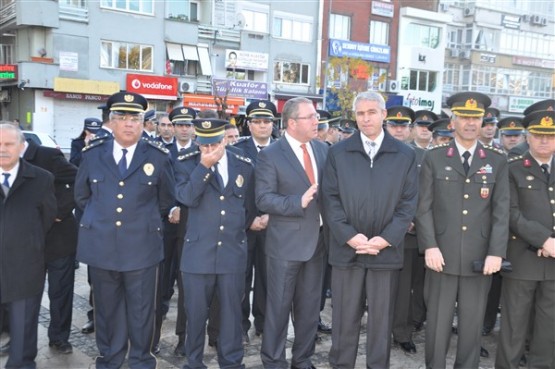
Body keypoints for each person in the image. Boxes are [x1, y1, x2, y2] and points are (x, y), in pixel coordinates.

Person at [74, 91, 175, 369]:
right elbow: (82, 196)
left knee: (142, 309)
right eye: (122, 118)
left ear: (143, 123)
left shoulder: (158, 155)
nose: (129, 123)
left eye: (136, 118)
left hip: (142, 247)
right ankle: (110, 358)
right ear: (111, 121)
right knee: (106, 310)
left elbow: (166, 199)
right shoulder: (93, 154)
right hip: (102, 246)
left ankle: (141, 359)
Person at [322, 92, 418, 368]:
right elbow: (330, 199)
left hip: (385, 253)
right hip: (346, 251)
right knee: (343, 319)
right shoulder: (338, 153)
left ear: (383, 114)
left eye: (372, 112)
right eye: (361, 113)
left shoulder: (404, 155)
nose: (366, 118)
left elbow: (408, 203)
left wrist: (385, 239)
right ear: (355, 116)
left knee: (381, 321)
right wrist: (350, 236)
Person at [416, 92, 510, 369]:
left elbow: (501, 212)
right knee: (437, 324)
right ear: (453, 121)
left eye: (476, 118)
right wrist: (429, 246)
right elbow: (423, 208)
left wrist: (496, 253)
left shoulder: (497, 160)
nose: (471, 123)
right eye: (465, 117)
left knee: (471, 325)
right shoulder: (434, 158)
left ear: (483, 122)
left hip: (479, 258)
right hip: (440, 257)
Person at [174, 117, 256, 369]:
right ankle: (194, 362)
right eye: (204, 145)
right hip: (198, 253)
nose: (209, 150)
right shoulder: (185, 163)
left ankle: (231, 362)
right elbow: (186, 196)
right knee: (195, 315)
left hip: (232, 253)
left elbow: (249, 208)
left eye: (214, 145)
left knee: (231, 315)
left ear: (225, 140)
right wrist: (203, 167)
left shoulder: (243, 164)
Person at [256, 97, 329, 369]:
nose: (316, 121)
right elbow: (263, 199)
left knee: (310, 310)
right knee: (278, 309)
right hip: (285, 246)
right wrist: (297, 202)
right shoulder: (271, 155)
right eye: (310, 117)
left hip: (317, 243)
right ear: (291, 122)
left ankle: (302, 359)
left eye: (315, 116)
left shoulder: (323, 150)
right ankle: (274, 361)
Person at [495, 109, 555, 369]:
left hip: (553, 264)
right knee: (513, 327)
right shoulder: (513, 169)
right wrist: (544, 240)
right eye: (538, 135)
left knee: (548, 328)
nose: (544, 141)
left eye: (550, 136)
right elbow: (510, 213)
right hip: (522, 262)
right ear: (527, 137)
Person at [0, 123, 57, 369]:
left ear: (22, 148)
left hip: (25, 268)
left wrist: (23, 241)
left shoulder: (41, 179)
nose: (2, 149)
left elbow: (46, 219)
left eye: (8, 144)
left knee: (22, 339)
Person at [22, 137, 78, 355]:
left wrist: (57, 211)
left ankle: (59, 337)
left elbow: (78, 179)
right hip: (26, 241)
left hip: (58, 238)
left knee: (60, 292)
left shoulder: (48, 156)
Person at [152, 107, 197, 357]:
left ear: (193, 127)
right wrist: (170, 208)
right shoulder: (160, 152)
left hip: (190, 228)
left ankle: (183, 339)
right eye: (178, 124)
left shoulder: (201, 152)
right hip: (164, 228)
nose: (182, 128)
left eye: (187, 124)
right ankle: (153, 337)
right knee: (159, 286)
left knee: (187, 286)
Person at [235, 100, 278, 342]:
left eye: (267, 121)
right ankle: (241, 324)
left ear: (273, 124)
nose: (262, 126)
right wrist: (249, 219)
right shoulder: (237, 150)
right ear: (248, 125)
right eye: (257, 121)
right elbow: (232, 192)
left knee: (267, 277)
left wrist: (271, 215)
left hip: (274, 225)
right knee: (241, 277)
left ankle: (262, 321)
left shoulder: (283, 150)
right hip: (244, 226)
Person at [383, 106, 423, 355]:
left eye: (403, 125)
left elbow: (428, 194)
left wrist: (413, 220)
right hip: (379, 233)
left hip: (411, 234)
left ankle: (403, 331)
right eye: (393, 125)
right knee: (384, 288)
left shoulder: (422, 156)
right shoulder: (377, 153)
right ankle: (384, 329)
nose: (399, 129)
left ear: (410, 129)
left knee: (407, 286)